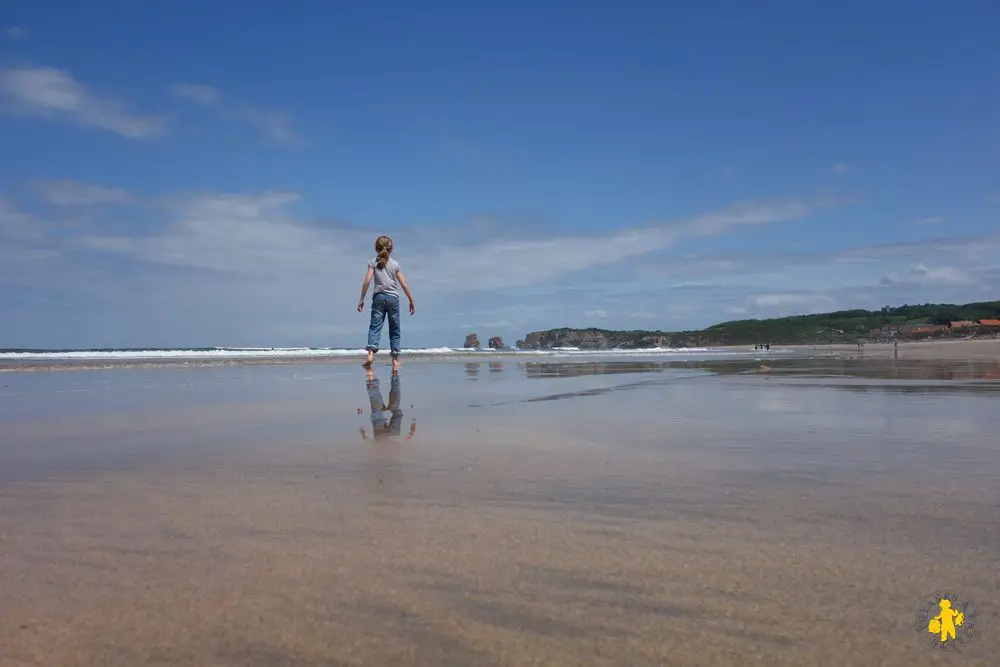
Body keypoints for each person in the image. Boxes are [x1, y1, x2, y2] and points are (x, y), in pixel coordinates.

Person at [357, 235, 415, 371]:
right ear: (391, 249)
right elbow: (404, 284)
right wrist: (411, 300)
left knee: (375, 326)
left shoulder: (373, 262)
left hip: (378, 297)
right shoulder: (395, 264)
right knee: (394, 329)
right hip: (393, 299)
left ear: (376, 248)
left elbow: (367, 281)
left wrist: (362, 298)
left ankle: (370, 353)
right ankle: (395, 360)